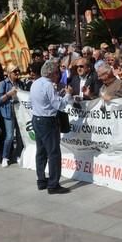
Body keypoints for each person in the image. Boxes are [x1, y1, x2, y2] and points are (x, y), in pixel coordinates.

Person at [30, 60, 72, 194]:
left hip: (37, 118)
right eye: (57, 73)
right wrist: (68, 94)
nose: (58, 75)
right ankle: (53, 184)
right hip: (47, 120)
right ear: (53, 73)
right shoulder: (48, 85)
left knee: (41, 151)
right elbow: (58, 105)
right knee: (53, 153)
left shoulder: (35, 83)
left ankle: (41, 180)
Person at [0, 64, 21, 167]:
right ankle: (5, 157)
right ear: (9, 73)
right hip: (8, 113)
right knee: (10, 136)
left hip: (19, 113)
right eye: (15, 72)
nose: (17, 73)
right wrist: (8, 94)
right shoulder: (3, 84)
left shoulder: (20, 83)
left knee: (20, 137)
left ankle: (18, 155)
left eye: (18, 71)